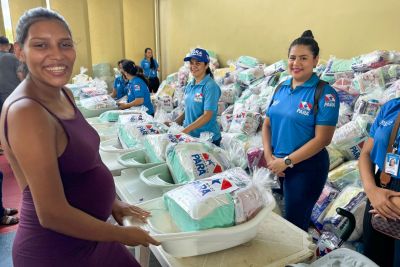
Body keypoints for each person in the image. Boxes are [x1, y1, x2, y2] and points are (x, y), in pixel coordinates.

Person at [0, 7, 160, 267]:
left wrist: (113, 203)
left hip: (92, 236)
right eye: (41, 45)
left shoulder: (63, 94)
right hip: (56, 252)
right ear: (19, 51)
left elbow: (87, 164)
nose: (57, 55)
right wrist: (119, 234)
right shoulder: (27, 113)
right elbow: (51, 214)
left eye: (65, 44)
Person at [262, 30, 339, 231]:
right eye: (292, 58)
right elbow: (267, 124)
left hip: (306, 169)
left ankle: (299, 261)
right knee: (279, 216)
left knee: (295, 223)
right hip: (277, 165)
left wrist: (287, 162)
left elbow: (323, 139)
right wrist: (270, 157)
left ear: (315, 60)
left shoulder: (324, 93)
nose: (296, 63)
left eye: (303, 58)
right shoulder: (281, 87)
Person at [359, 97, 400, 267]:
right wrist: (371, 190)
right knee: (374, 258)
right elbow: (366, 154)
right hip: (381, 189)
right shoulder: (392, 107)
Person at [170, 48, 221, 146]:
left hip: (207, 139)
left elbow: (207, 115)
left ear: (206, 65)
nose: (193, 66)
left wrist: (184, 131)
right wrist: (174, 123)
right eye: (191, 63)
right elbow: (189, 109)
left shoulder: (210, 86)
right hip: (190, 136)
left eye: (198, 63)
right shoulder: (190, 84)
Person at [0, 35, 21, 225]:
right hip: (14, 101)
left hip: (1, 104)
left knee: (6, 134)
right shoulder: (11, 58)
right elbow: (24, 76)